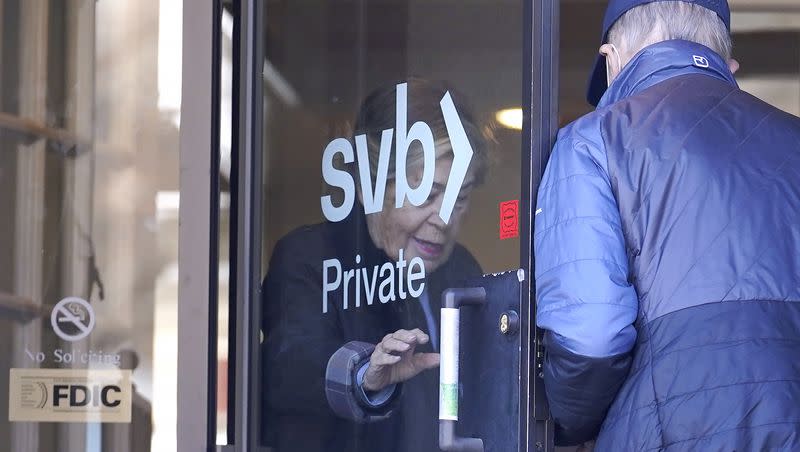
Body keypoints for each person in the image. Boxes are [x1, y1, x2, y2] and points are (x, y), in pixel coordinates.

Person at [534, 0, 800, 450]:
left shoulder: (591, 141)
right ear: (727, 63)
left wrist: (568, 427)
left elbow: (591, 336)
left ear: (612, 59)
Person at [260, 78, 490, 451]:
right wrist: (363, 375)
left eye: (458, 198)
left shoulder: (462, 270)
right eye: (427, 195)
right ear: (371, 183)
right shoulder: (311, 256)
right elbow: (290, 365)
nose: (444, 219)